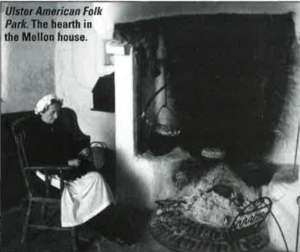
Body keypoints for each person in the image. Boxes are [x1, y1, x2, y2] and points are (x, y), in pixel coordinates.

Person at [25, 94, 115, 228]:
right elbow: (37, 160)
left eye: (58, 112)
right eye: (52, 112)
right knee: (86, 185)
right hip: (46, 174)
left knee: (96, 178)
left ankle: (98, 217)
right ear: (42, 111)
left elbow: (67, 147)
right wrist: (65, 163)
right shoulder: (33, 133)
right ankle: (94, 221)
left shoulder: (57, 127)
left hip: (63, 170)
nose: (56, 116)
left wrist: (82, 151)